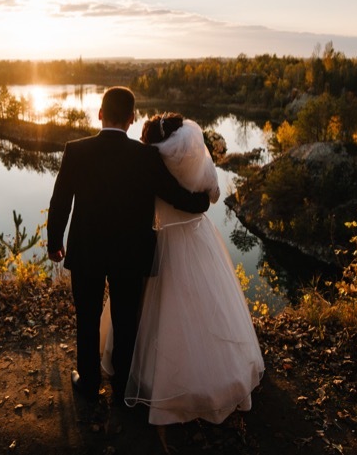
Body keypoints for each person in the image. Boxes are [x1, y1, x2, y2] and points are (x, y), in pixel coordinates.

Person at [47, 87, 212, 403]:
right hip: (131, 255)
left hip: (87, 252)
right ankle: (123, 384)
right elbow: (174, 195)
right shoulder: (146, 156)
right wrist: (203, 201)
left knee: (87, 317)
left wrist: (55, 241)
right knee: (126, 320)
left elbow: (60, 201)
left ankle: (89, 381)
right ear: (131, 118)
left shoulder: (75, 151)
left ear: (100, 114)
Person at [104, 112, 264, 425]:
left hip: (165, 240)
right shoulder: (191, 160)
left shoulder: (151, 162)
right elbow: (208, 198)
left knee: (161, 304)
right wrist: (201, 199)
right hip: (197, 234)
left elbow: (161, 196)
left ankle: (154, 377)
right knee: (207, 301)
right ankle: (218, 372)